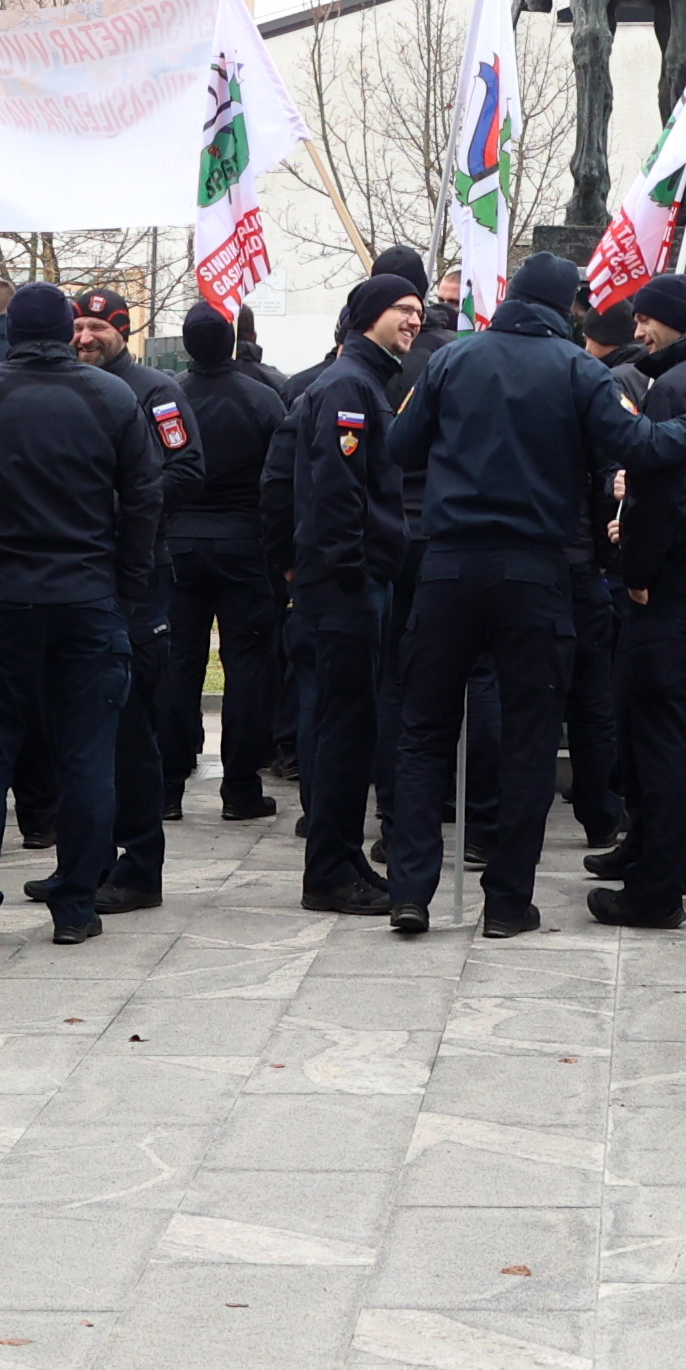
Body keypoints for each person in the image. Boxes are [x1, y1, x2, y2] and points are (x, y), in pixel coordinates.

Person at [380, 252, 686, 938]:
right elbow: (639, 446)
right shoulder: (579, 370)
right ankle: (506, 904)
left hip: (448, 567)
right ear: (565, 308)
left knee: (423, 731)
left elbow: (401, 443)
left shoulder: (452, 360)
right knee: (528, 736)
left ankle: (409, 891)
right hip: (535, 573)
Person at [0, 280, 165, 944]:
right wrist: (125, 591)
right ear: (68, 330)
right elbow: (143, 500)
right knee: (88, 757)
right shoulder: (112, 397)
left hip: (7, 598)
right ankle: (75, 906)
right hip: (88, 598)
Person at [588, 273, 686, 927]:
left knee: (658, 736)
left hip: (673, 589)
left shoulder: (675, 389)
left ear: (672, 322)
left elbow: (662, 496)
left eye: (646, 321)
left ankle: (655, 888)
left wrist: (635, 568)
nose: (637, 333)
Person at [290, 275, 422, 910]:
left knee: (355, 725)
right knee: (344, 730)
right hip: (347, 585)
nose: (415, 320)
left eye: (420, 310)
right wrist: (352, 571)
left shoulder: (369, 380)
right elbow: (339, 489)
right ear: (370, 315)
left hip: (358, 579)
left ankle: (341, 858)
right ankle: (329, 876)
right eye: (403, 309)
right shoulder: (349, 385)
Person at [74, 286, 199, 905]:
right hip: (85, 575)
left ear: (122, 330)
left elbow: (185, 468)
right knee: (86, 725)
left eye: (98, 326)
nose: (86, 336)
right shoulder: (74, 387)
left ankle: (139, 865)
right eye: (79, 326)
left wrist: (120, 513)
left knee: (133, 726)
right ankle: (89, 861)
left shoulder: (156, 391)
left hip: (142, 576)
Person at [163, 300, 293, 825]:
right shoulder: (264, 399)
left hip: (179, 545)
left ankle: (167, 785)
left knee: (177, 665)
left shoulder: (168, 398)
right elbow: (282, 477)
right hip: (245, 545)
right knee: (247, 667)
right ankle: (240, 788)